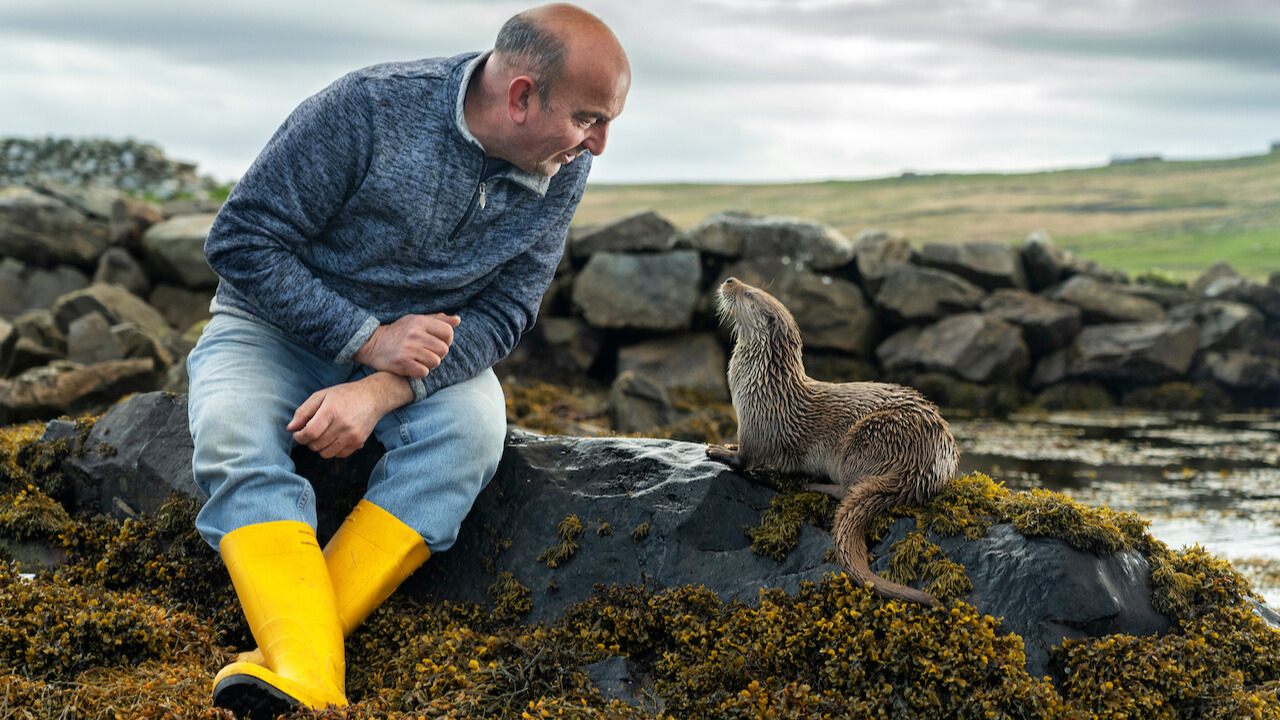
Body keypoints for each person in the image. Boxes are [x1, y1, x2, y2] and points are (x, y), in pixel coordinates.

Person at [185, 4, 630, 715]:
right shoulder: (366, 108)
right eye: (588, 119)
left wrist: (383, 387)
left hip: (418, 360)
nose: (599, 144)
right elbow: (240, 241)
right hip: (268, 330)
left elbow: (508, 313)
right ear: (521, 96)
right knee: (233, 435)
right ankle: (312, 671)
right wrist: (365, 338)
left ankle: (298, 659)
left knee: (473, 434)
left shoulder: (560, 164)